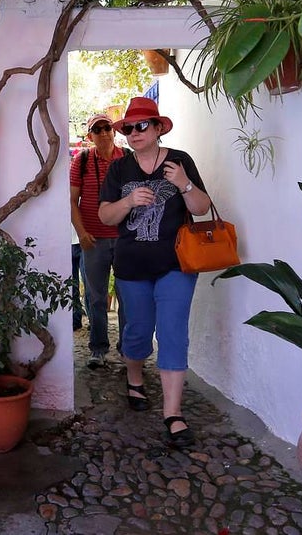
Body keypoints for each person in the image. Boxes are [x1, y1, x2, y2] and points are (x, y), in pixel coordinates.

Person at [97, 97, 211, 448]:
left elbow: (202, 208)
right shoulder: (119, 170)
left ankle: (173, 414)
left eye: (141, 126)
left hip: (176, 264)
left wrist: (185, 184)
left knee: (173, 333)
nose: (133, 133)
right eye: (127, 128)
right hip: (132, 267)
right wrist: (128, 202)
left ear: (159, 128)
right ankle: (134, 376)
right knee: (137, 333)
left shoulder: (180, 162)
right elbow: (105, 217)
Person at [70, 112, 126, 369]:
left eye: (107, 128)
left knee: (128, 296)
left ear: (114, 132)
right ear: (90, 135)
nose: (104, 133)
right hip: (93, 239)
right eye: (98, 129)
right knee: (95, 296)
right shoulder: (80, 161)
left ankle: (126, 348)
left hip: (125, 239)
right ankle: (98, 349)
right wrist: (81, 234)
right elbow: (72, 200)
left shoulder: (127, 159)